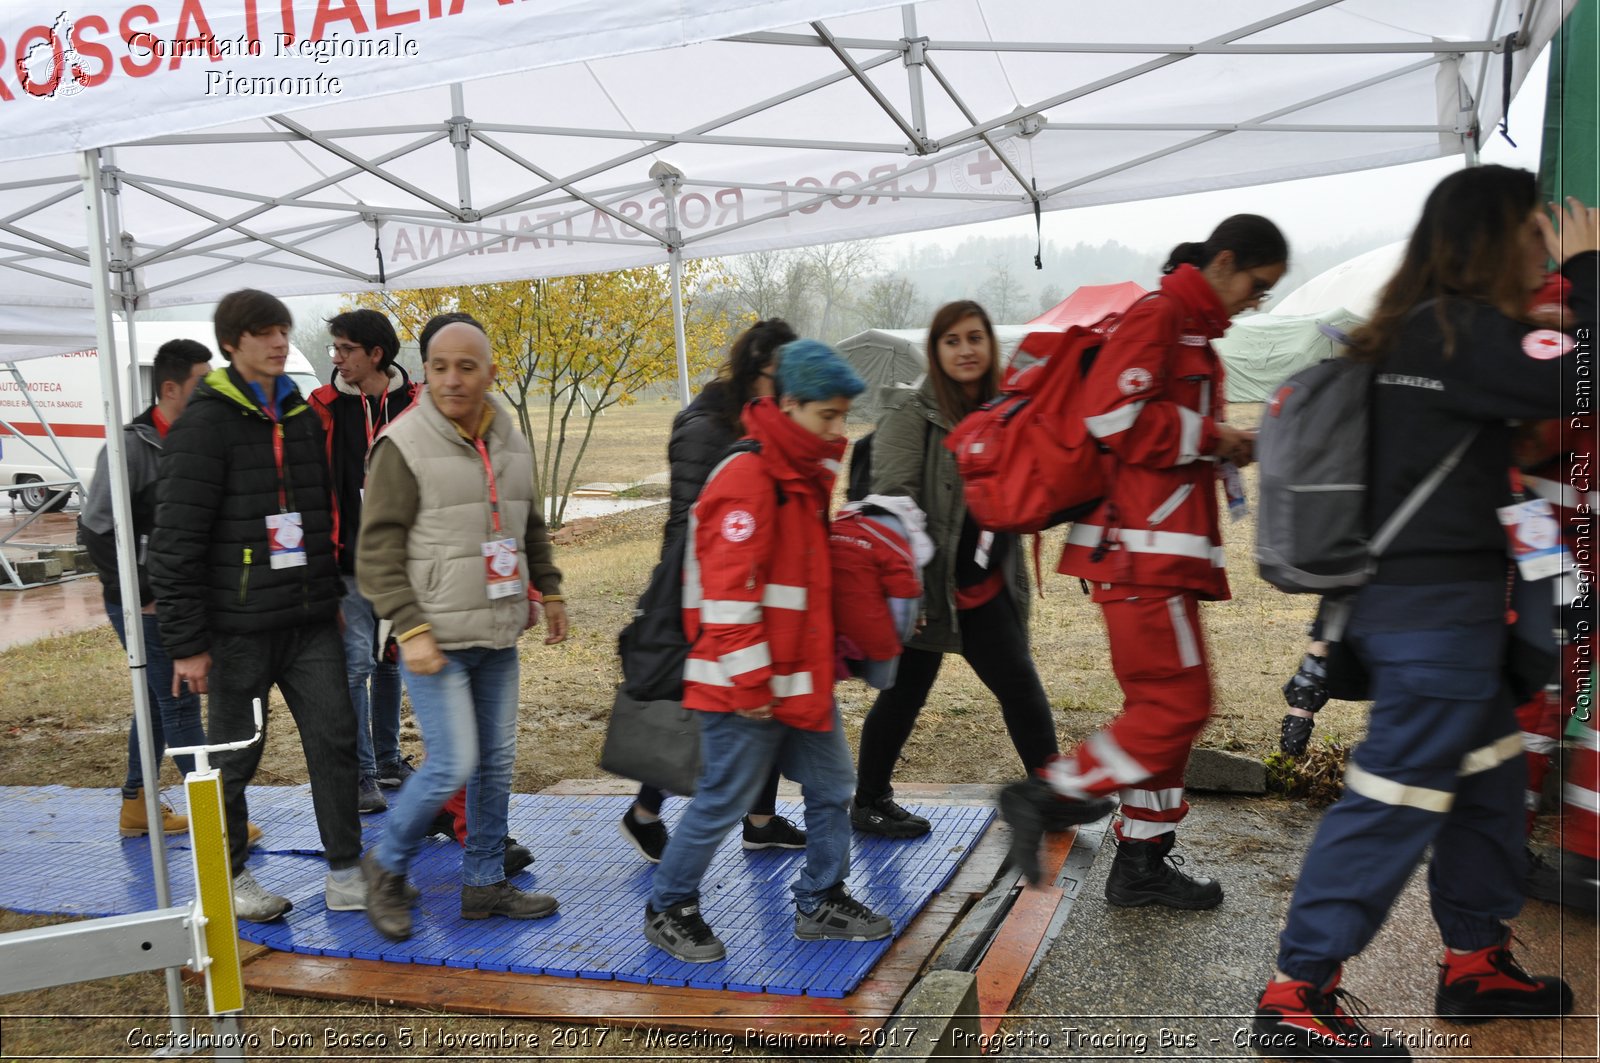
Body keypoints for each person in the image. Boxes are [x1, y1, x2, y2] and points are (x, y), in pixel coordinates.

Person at [1248, 172, 1595, 1059]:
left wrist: (1540, 330)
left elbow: (1535, 377)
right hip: (1435, 622)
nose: (1542, 243)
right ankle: (1297, 992)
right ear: (1494, 239)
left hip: (1434, 616)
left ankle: (1475, 958)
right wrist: (1590, 270)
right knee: (1391, 798)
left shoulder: (1429, 330)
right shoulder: (1458, 330)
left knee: (1485, 778)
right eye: (1532, 229)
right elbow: (1582, 386)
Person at [1001, 215, 1288, 906]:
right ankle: (1050, 795)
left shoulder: (1187, 329)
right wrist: (1215, 434)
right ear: (1223, 262)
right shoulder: (1160, 316)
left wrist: (1218, 441)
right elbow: (1112, 418)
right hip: (1141, 555)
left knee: (1162, 711)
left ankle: (1142, 857)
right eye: (1257, 284)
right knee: (1179, 703)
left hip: (1156, 554)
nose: (1257, 301)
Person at [643, 339, 892, 963]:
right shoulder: (750, 474)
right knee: (724, 799)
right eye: (826, 416)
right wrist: (754, 684)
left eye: (842, 416)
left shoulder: (804, 476)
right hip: (743, 685)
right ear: (788, 405)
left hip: (800, 680)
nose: (838, 429)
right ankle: (669, 904)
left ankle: (821, 898)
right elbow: (727, 599)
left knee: (833, 786)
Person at [149, 289, 364, 922]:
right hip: (238, 630)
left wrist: (331, 594)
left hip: (309, 621)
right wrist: (187, 645)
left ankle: (347, 872)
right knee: (233, 756)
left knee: (335, 738)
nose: (278, 342)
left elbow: (319, 514)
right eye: (264, 332)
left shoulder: (299, 415)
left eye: (282, 331)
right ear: (232, 344)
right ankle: (230, 878)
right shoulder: (204, 422)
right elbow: (175, 541)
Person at [357, 315, 570, 943]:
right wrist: (410, 627)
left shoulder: (507, 435)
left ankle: (483, 884)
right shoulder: (403, 444)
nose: (453, 379)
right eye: (441, 366)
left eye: (467, 366)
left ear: (489, 373)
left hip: (499, 631)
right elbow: (376, 552)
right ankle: (386, 865)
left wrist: (549, 588)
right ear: (426, 370)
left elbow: (527, 522)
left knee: (495, 765)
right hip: (436, 637)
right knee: (454, 761)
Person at [851, 301, 1062, 840]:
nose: (965, 349)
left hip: (986, 585)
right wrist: (910, 594)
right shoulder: (911, 417)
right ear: (936, 351)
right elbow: (892, 506)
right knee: (902, 696)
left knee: (1020, 687)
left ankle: (1052, 798)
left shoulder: (1007, 411)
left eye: (975, 337)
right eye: (952, 340)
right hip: (928, 588)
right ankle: (869, 800)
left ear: (991, 346)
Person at [619, 318, 807, 863]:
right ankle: (646, 814)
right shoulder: (707, 428)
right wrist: (693, 608)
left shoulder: (763, 425)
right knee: (706, 711)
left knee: (760, 701)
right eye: (781, 376)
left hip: (749, 589)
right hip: (702, 591)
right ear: (756, 372)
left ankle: (761, 820)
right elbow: (689, 526)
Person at [79, 339, 222, 838]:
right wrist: (141, 593)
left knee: (158, 698)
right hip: (144, 603)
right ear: (169, 388)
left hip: (182, 597)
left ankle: (137, 803)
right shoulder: (129, 448)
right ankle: (215, 820)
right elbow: (95, 530)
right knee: (179, 702)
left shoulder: (200, 441)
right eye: (201, 385)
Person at [309, 308, 421, 814]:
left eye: (346, 349)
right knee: (356, 665)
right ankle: (361, 775)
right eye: (335, 349)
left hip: (403, 562)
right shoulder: (323, 407)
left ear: (377, 353)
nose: (337, 358)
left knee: (392, 659)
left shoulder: (417, 403)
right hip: (348, 561)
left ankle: (389, 757)